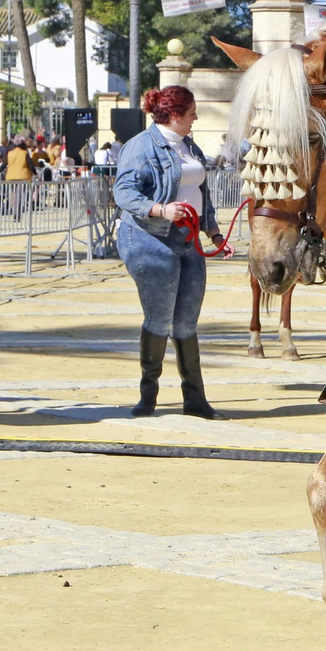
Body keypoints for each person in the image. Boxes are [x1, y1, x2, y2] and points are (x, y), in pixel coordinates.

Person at [113, 85, 226, 420]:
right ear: (175, 115)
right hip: (151, 241)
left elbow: (200, 192)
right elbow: (123, 191)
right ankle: (148, 397)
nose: (195, 118)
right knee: (160, 318)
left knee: (187, 321)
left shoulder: (188, 145)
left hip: (188, 241)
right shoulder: (140, 147)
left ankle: (195, 399)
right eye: (191, 112)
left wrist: (214, 232)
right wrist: (160, 209)